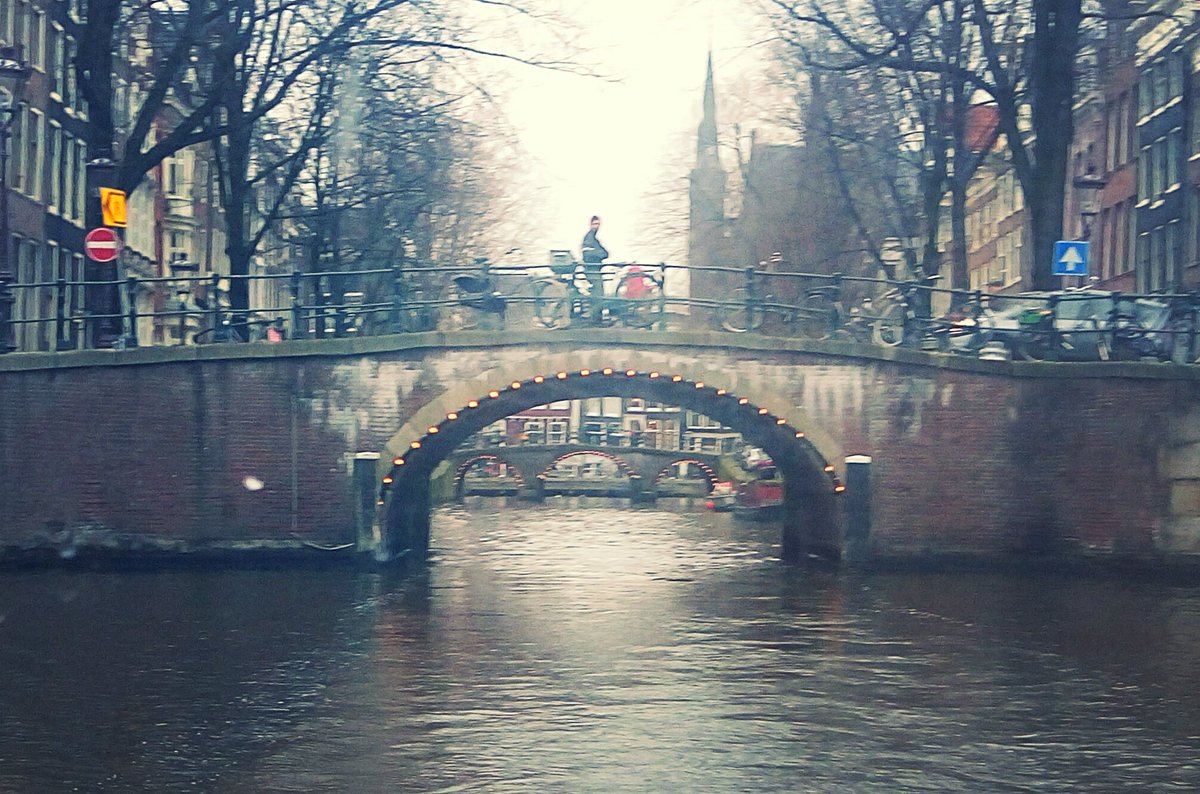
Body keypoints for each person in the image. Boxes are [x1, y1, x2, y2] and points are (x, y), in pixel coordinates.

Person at [581, 215, 609, 324]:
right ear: (590, 224)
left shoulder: (594, 239)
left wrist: (599, 253)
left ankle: (596, 318)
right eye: (594, 224)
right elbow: (588, 255)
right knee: (598, 293)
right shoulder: (589, 238)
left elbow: (606, 253)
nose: (596, 226)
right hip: (592, 270)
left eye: (598, 224)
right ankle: (595, 320)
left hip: (595, 269)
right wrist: (599, 254)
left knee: (598, 293)